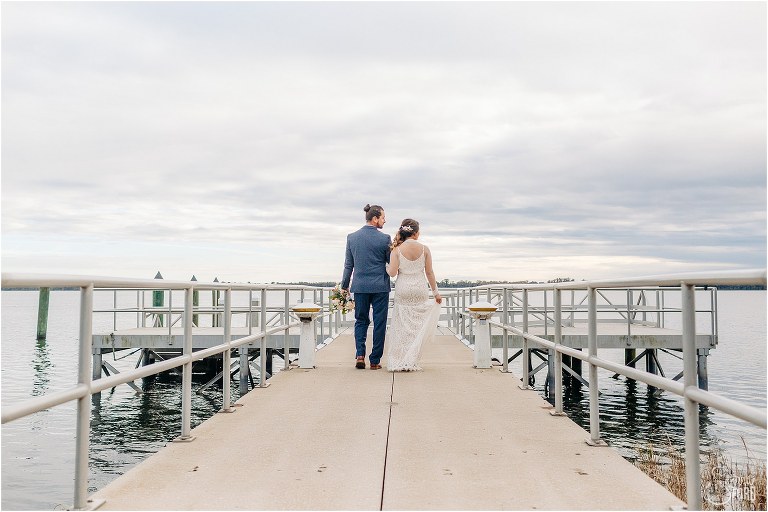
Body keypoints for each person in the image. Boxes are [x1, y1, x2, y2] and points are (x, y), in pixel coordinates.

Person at [385, 218, 442, 372]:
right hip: (420, 288)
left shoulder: (396, 250)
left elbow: (392, 273)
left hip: (403, 289)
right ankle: (412, 359)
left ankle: (400, 359)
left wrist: (385, 265)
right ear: (416, 233)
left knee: (401, 326)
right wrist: (436, 292)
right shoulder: (425, 249)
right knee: (417, 326)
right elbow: (429, 272)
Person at [341, 204, 392, 370]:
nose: (385, 220)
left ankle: (360, 355)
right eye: (383, 217)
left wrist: (344, 286)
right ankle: (375, 360)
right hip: (380, 286)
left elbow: (349, 264)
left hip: (360, 286)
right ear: (375, 218)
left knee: (361, 321)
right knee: (379, 323)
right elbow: (391, 262)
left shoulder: (352, 237)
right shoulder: (385, 239)